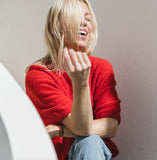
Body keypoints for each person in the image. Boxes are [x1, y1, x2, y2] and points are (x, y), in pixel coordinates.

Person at [25, 0, 121, 160]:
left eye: (88, 19)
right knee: (88, 139)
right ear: (56, 26)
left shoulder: (102, 68)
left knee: (89, 141)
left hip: (93, 153)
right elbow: (81, 127)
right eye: (76, 17)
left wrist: (61, 130)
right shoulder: (39, 75)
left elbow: (111, 126)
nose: (84, 23)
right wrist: (81, 83)